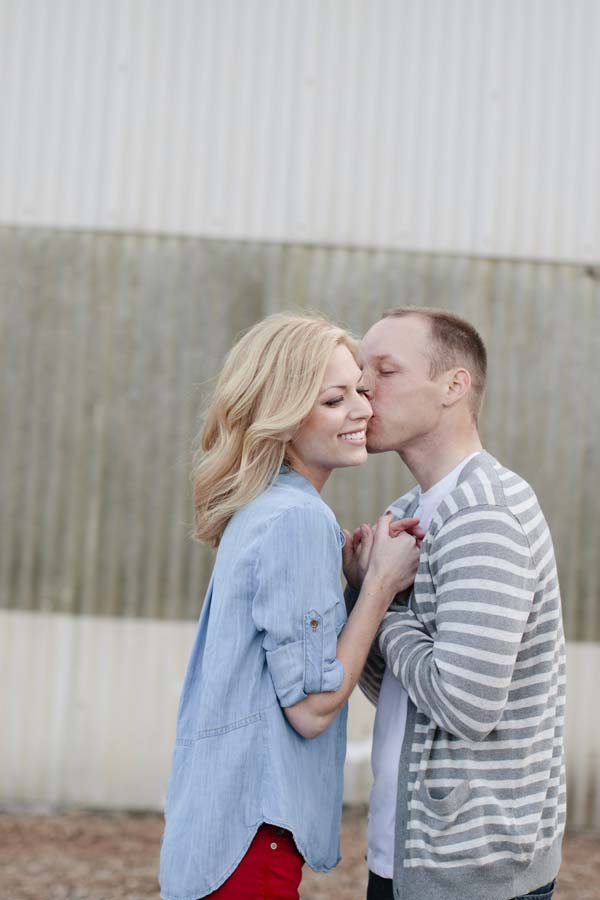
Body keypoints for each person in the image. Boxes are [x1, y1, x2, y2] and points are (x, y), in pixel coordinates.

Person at [158, 313, 421, 900]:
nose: (362, 410)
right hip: (250, 845)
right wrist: (378, 586)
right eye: (334, 399)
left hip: (218, 833)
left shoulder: (262, 509)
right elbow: (311, 707)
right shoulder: (297, 519)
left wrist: (349, 586)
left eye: (359, 389)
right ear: (282, 417)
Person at [343, 307, 566, 900]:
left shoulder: (484, 515)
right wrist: (360, 595)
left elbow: (465, 705)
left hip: (472, 874)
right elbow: (401, 689)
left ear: (453, 386)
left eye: (385, 370)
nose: (362, 386)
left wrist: (381, 601)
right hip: (412, 855)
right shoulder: (416, 508)